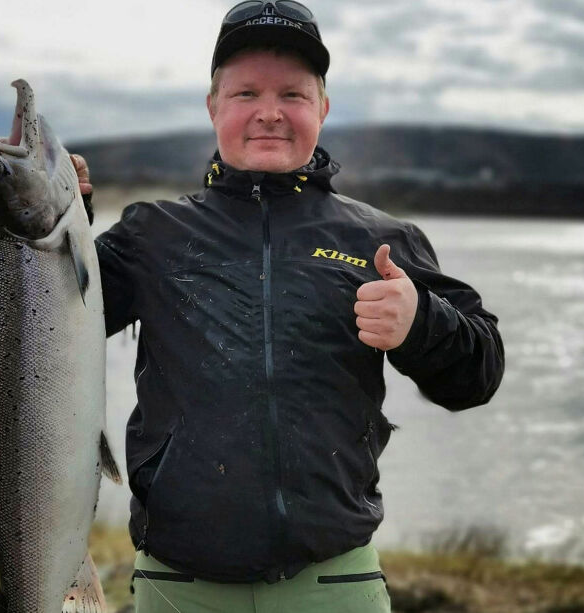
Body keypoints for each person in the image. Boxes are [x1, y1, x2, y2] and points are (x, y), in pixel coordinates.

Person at [72, 2, 504, 611]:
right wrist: (57, 227)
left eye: (294, 95)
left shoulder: (378, 239)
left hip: (334, 582)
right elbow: (52, 325)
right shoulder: (153, 235)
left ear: (322, 108)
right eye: (246, 92)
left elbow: (478, 376)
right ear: (213, 106)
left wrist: (421, 324)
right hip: (178, 586)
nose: (270, 113)